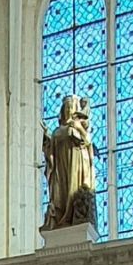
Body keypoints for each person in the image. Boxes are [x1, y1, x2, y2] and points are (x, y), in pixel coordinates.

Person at [41, 95, 98, 230]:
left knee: (75, 189)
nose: (68, 110)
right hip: (61, 167)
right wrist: (46, 137)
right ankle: (60, 215)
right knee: (60, 191)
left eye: (71, 107)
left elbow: (87, 142)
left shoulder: (77, 125)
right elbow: (51, 152)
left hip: (76, 163)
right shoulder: (57, 132)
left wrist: (79, 128)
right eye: (66, 107)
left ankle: (75, 214)